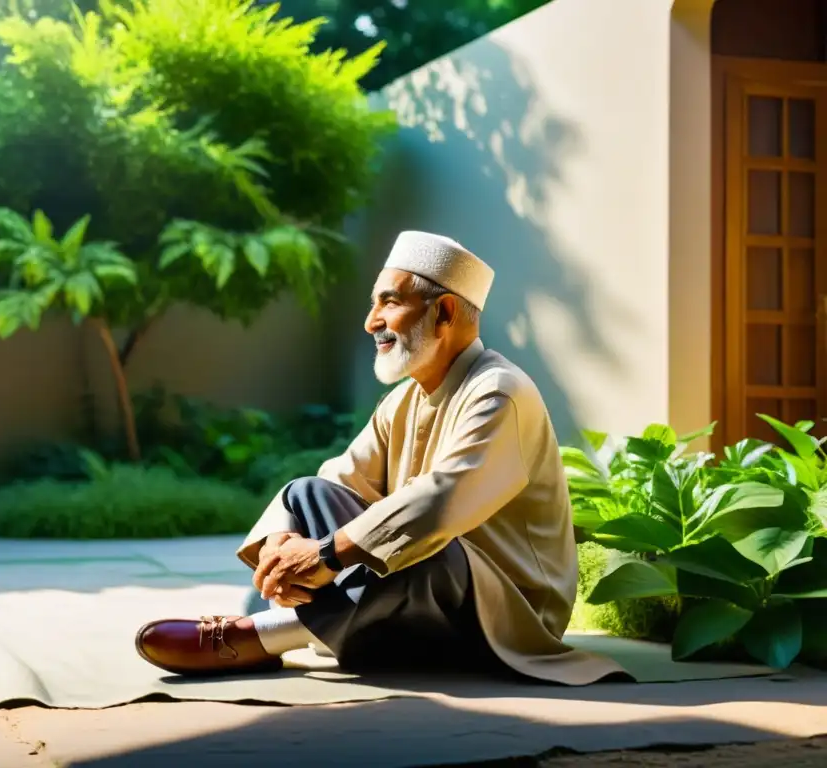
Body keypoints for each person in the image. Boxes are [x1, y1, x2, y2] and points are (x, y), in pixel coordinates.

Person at [135, 231, 625, 685]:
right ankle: (293, 619)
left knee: (419, 547)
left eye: (389, 302)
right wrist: (280, 546)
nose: (372, 321)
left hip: (505, 611)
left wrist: (325, 554)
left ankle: (260, 635)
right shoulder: (405, 399)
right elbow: (340, 481)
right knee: (309, 493)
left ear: (446, 312)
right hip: (427, 601)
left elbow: (439, 506)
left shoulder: (499, 391)